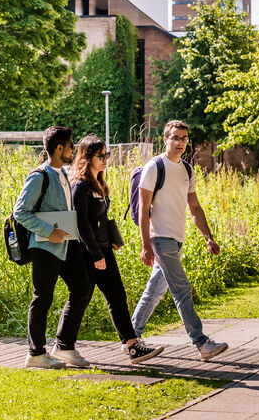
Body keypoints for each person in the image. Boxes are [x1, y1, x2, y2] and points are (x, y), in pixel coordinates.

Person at [131, 120, 229, 361]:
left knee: (154, 292)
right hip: (160, 238)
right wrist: (146, 244)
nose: (180, 142)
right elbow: (144, 210)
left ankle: (130, 338)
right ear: (165, 140)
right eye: (175, 137)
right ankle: (201, 342)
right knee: (182, 289)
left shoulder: (186, 169)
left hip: (177, 240)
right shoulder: (154, 166)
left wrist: (209, 237)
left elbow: (194, 207)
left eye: (184, 138)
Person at [71, 135, 164, 364]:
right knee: (81, 298)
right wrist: (95, 254)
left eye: (106, 155)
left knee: (117, 296)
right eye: (100, 156)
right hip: (89, 253)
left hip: (104, 249)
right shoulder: (80, 185)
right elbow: (81, 223)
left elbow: (99, 219)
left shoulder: (99, 183)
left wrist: (110, 239)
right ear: (87, 157)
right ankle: (63, 344)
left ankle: (131, 345)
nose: (105, 160)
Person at [14, 126, 93, 369]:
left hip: (67, 245)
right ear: (59, 148)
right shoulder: (40, 176)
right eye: (70, 145)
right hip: (45, 246)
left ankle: (65, 346)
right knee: (43, 298)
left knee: (82, 288)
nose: (73, 149)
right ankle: (36, 354)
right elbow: (20, 212)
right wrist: (50, 232)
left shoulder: (64, 174)